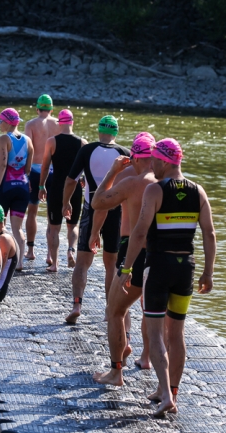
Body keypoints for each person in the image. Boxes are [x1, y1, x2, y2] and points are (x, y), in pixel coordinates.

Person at [118, 138, 216, 417]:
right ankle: (170, 391)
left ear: (163, 161)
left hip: (159, 267)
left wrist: (125, 269)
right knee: (177, 333)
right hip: (186, 267)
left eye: (154, 160)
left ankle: (166, 397)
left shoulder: (155, 190)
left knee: (154, 331)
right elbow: (209, 233)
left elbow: (138, 232)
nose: (152, 165)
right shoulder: (199, 192)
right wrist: (208, 271)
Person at [90, 133, 159, 386]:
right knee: (155, 315)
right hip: (163, 254)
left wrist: (113, 170)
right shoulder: (168, 183)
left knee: (115, 310)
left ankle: (116, 372)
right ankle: (165, 387)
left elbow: (98, 203)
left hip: (134, 250)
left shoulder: (133, 181)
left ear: (134, 158)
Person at [63, 115, 130, 324]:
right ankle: (109, 310)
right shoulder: (124, 154)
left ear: (99, 130)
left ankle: (76, 305)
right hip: (116, 211)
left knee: (82, 262)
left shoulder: (87, 150)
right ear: (116, 132)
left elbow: (71, 180)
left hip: (92, 208)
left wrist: (66, 203)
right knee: (111, 264)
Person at [39, 109, 87, 272]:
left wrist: (41, 186)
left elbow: (45, 167)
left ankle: (54, 264)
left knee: (54, 227)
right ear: (72, 122)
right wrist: (84, 181)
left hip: (57, 187)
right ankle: (70, 251)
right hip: (75, 188)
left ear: (60, 123)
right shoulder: (82, 142)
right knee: (72, 225)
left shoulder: (52, 142)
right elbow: (86, 169)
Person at [0, 108, 33, 270]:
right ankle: (20, 262)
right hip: (22, 187)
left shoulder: (4, 139)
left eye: (0, 121)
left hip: (6, 187)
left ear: (7, 122)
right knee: (17, 228)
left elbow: (2, 164)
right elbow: (28, 169)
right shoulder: (28, 140)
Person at [23, 94, 60, 260]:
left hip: (36, 170)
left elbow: (27, 150)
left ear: (37, 108)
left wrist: (26, 175)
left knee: (32, 211)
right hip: (54, 170)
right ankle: (50, 255)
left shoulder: (31, 124)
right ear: (52, 109)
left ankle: (30, 251)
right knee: (52, 215)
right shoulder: (60, 124)